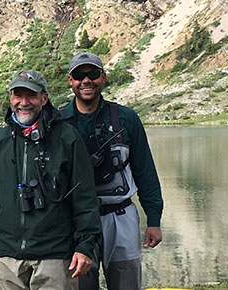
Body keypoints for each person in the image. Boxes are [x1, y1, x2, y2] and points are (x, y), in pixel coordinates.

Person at [0, 70, 102, 290]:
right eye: (18, 95)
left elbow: (85, 198)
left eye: (31, 96)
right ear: (11, 98)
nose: (24, 103)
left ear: (44, 98)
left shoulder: (67, 138)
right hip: (8, 257)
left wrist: (85, 246)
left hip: (55, 256)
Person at [60, 52, 164, 290]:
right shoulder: (58, 122)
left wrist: (154, 219)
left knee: (127, 283)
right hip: (74, 221)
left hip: (121, 217)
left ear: (103, 78)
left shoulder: (127, 118)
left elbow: (145, 171)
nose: (86, 81)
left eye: (93, 74)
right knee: (81, 285)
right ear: (70, 81)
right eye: (79, 75)